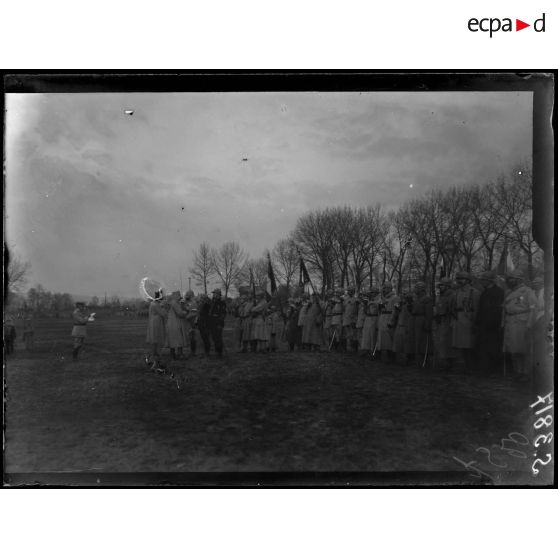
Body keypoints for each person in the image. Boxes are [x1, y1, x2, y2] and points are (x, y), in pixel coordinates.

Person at [502, 271, 536, 381]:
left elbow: (533, 309)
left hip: (522, 322)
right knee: (513, 349)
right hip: (510, 321)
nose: (509, 281)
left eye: (512, 278)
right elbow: (505, 309)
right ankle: (517, 371)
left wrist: (529, 325)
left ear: (519, 279)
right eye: (509, 279)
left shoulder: (527, 291)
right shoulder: (508, 292)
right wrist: (502, 323)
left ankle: (525, 373)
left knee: (523, 349)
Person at [475, 271, 504, 375]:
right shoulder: (485, 292)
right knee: (484, 347)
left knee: (493, 347)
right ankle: (485, 369)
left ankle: (493, 369)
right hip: (484, 324)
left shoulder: (499, 292)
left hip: (493, 325)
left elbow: (499, 310)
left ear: (490, 281)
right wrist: (478, 322)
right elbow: (481, 309)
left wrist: (496, 323)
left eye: (484, 280)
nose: (482, 282)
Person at [451, 271, 481, 373]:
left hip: (469, 320)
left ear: (468, 280)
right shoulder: (457, 292)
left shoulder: (474, 292)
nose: (459, 281)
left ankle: (472, 366)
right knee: (461, 345)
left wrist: (475, 323)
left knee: (470, 345)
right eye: (458, 279)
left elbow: (476, 309)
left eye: (462, 279)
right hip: (459, 320)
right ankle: (465, 365)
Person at [432, 278, 456, 371]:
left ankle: (449, 362)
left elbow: (453, 309)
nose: (440, 287)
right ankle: (443, 361)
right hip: (440, 320)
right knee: (440, 342)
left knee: (447, 341)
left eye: (442, 285)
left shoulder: (453, 295)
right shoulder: (440, 296)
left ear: (448, 286)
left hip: (448, 320)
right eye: (440, 285)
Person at [412, 282, 433, 368]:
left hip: (423, 320)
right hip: (416, 320)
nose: (415, 290)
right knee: (417, 341)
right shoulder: (417, 299)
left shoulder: (427, 299)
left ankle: (426, 360)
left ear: (421, 289)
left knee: (424, 341)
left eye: (417, 288)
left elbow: (429, 313)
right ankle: (419, 360)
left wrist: (427, 324)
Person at [377, 283, 399, 362]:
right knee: (382, 338)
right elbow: (380, 310)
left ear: (390, 288)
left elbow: (395, 310)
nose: (384, 290)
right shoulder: (382, 299)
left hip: (389, 318)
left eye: (385, 288)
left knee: (390, 337)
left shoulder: (395, 298)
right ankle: (384, 356)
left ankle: (392, 356)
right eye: (383, 288)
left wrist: (392, 321)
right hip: (382, 318)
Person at [166, 291, 187, 360]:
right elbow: (180, 313)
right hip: (175, 324)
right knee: (179, 339)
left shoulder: (171, 302)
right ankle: (179, 354)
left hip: (171, 323)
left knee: (172, 339)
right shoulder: (175, 303)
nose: (180, 298)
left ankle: (172, 354)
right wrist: (186, 312)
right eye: (179, 296)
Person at [146, 290, 167, 359]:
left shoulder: (152, 303)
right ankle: (154, 352)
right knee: (155, 337)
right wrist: (163, 307)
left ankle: (154, 352)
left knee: (154, 337)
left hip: (153, 321)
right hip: (156, 322)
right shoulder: (156, 305)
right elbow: (162, 313)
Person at [360, 287, 380, 358]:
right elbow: (365, 311)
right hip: (367, 318)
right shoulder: (368, 300)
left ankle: (373, 352)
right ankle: (365, 350)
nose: (371, 294)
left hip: (374, 318)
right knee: (366, 334)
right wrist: (365, 305)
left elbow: (379, 309)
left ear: (376, 293)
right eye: (370, 293)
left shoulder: (379, 300)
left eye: (372, 292)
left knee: (373, 335)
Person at [208, 288, 228, 358]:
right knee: (214, 338)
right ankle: (217, 351)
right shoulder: (212, 302)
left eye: (215, 294)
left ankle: (219, 352)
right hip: (212, 323)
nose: (213, 295)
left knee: (218, 338)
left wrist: (220, 323)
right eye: (213, 294)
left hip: (218, 323)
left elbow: (223, 314)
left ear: (218, 295)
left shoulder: (222, 303)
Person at [342, 286, 359, 352]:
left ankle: (354, 349)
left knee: (353, 335)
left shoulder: (356, 300)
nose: (350, 292)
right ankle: (347, 348)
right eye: (349, 291)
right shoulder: (345, 300)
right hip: (346, 319)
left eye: (351, 290)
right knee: (346, 334)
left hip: (353, 319)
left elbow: (357, 310)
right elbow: (344, 309)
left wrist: (355, 319)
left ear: (354, 291)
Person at [182, 290, 198, 356]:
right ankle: (190, 351)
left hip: (192, 321)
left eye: (187, 295)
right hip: (188, 321)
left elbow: (194, 312)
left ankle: (193, 351)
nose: (186, 297)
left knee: (192, 337)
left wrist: (186, 309)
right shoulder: (186, 302)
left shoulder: (193, 302)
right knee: (189, 336)